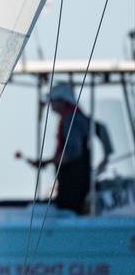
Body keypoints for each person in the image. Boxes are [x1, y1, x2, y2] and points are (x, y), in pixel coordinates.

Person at [26, 82, 113, 214]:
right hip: (78, 182)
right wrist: (107, 155)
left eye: (53, 100)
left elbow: (72, 152)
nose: (51, 104)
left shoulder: (70, 118)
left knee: (69, 210)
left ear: (62, 100)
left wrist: (46, 162)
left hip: (73, 184)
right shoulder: (78, 116)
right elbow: (101, 129)